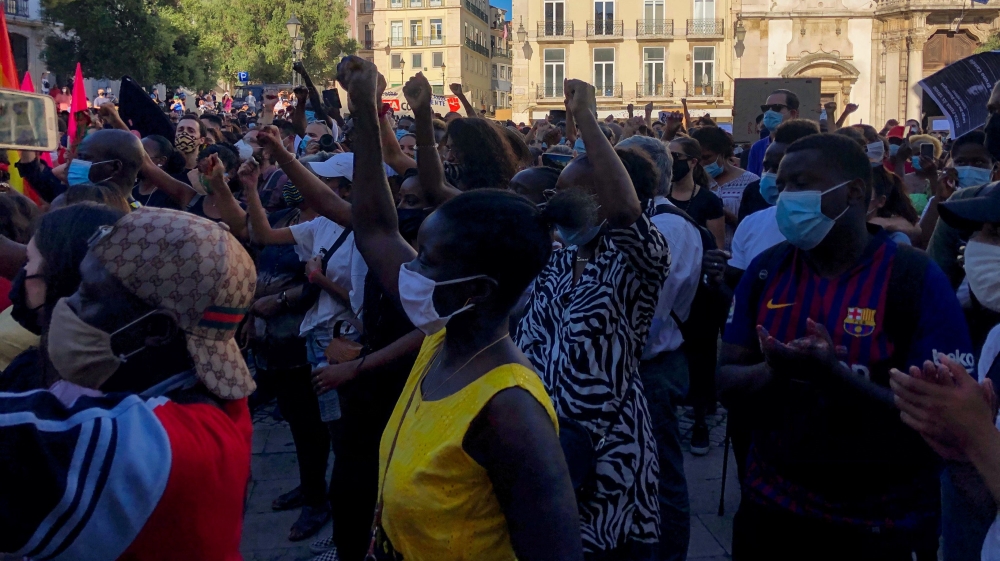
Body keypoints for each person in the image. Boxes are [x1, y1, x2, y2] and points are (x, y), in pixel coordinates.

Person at [327, 55, 582, 561]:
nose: (412, 268)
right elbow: (375, 229)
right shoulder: (445, 339)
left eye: (428, 261)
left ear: (479, 290)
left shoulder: (511, 411)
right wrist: (362, 109)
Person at [719, 133, 973, 560]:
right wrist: (775, 370)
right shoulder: (767, 270)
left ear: (854, 192)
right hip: (773, 508)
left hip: (884, 521)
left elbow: (943, 416)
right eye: (781, 186)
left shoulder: (911, 277)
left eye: (800, 184)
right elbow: (725, 380)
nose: (786, 197)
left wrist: (833, 376)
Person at [0, 208, 256, 560]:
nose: (66, 304)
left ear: (156, 330)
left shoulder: (155, 446)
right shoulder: (218, 400)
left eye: (87, 295)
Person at [515, 79, 668, 558]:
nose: (555, 203)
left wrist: (586, 120)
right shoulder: (557, 262)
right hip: (544, 443)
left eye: (571, 196)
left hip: (606, 453)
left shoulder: (637, 263)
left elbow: (626, 214)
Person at [620, 135, 701, 561]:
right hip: (632, 365)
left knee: (660, 474)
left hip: (648, 367)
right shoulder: (644, 220)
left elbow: (648, 312)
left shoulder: (668, 227)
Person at [243, 179, 334, 541]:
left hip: (300, 342)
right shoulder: (285, 218)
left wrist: (280, 300)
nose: (289, 185)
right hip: (271, 341)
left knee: (308, 423)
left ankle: (316, 501)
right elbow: (258, 247)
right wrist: (252, 315)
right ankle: (309, 486)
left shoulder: (328, 228)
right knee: (295, 420)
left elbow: (320, 282)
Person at [1, 202, 124, 392]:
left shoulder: (41, 384)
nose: (23, 271)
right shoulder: (35, 366)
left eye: (29, 260)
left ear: (61, 274)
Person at [737, 119, 820, 223]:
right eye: (766, 167)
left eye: (778, 168)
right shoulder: (753, 194)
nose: (769, 174)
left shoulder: (822, 218)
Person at [691, 126, 759, 249]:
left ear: (722, 153)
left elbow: (757, 227)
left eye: (707, 157)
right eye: (698, 159)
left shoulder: (750, 182)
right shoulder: (693, 182)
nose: (702, 164)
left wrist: (726, 216)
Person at [667, 136, 725, 250]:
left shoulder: (709, 200)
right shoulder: (659, 196)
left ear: (693, 162)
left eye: (675, 156)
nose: (670, 161)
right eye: (667, 156)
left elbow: (718, 247)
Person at [747, 89, 800, 177]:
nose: (769, 112)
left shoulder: (804, 146)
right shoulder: (757, 147)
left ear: (793, 113)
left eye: (776, 108)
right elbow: (752, 180)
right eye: (766, 108)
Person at [132, 135, 182, 210]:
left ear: (161, 161)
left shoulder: (169, 197)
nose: (135, 157)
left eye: (143, 154)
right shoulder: (130, 187)